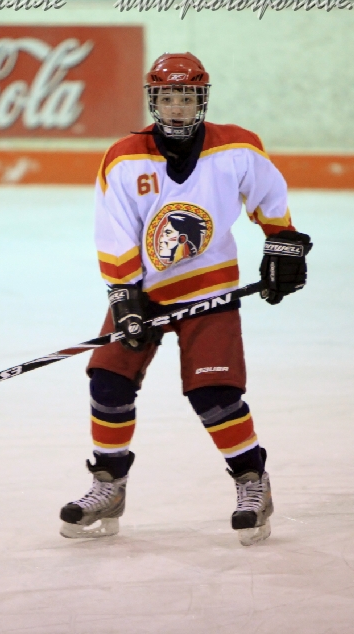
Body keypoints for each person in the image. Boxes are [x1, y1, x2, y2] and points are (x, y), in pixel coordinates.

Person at [59, 52, 312, 546]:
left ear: (202, 101)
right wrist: (124, 295)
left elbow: (269, 198)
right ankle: (109, 485)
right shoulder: (125, 157)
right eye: (168, 97)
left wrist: (283, 242)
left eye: (187, 98)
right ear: (153, 101)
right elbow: (113, 228)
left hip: (209, 289)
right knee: (108, 381)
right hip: (143, 292)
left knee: (213, 394)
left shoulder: (236, 148)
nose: (177, 108)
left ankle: (252, 483)